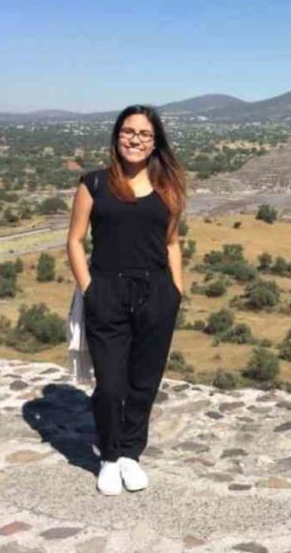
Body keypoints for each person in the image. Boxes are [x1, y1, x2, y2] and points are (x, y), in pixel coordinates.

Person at [67, 105, 187, 496]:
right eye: (128, 131)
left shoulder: (168, 187)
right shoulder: (94, 184)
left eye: (145, 134)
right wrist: (89, 289)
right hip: (108, 291)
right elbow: (74, 240)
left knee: (144, 382)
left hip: (156, 291)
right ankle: (109, 455)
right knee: (111, 385)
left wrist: (176, 290)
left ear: (155, 143)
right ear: (117, 136)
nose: (136, 139)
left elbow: (171, 242)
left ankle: (131, 454)